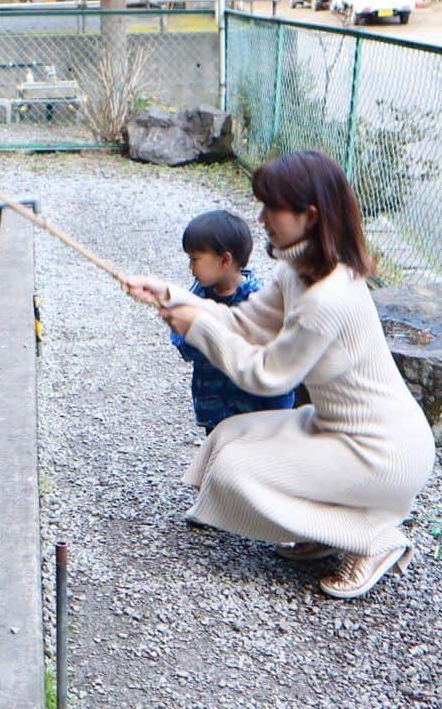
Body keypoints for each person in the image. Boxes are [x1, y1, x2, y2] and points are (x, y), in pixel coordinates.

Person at [124, 150, 436, 599]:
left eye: (272, 207)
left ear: (308, 216)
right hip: (338, 428)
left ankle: (373, 539)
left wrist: (198, 325)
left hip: (383, 451)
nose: (262, 216)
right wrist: (173, 295)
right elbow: (247, 322)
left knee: (234, 471)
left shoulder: (328, 298)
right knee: (228, 437)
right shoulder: (301, 271)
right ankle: (331, 530)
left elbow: (269, 375)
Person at [171, 209, 295, 436]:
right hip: (216, 409)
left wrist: (281, 413)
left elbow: (279, 359)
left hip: (259, 412)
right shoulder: (197, 295)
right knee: (220, 459)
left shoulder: (259, 299)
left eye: (194, 259)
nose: (191, 267)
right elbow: (182, 343)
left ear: (224, 260)